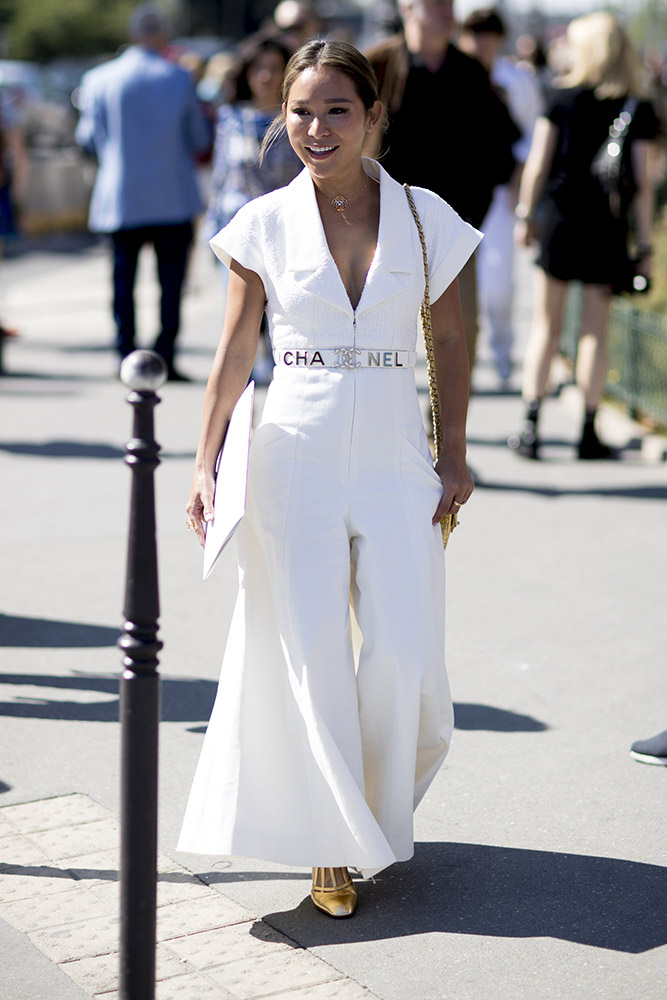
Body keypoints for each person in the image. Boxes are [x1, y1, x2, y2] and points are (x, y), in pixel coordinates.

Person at [179, 40, 481, 918]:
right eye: (300, 110)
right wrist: (203, 461)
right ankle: (328, 845)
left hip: (393, 449)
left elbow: (452, 340)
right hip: (293, 447)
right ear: (281, 117)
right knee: (305, 653)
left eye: (336, 110)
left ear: (374, 114)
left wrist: (452, 451)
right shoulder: (263, 223)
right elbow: (237, 350)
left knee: (405, 657)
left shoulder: (426, 217)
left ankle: (374, 816)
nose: (316, 128)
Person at [509, 12, 661, 459]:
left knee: (546, 325)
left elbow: (538, 161)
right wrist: (645, 243)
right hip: (605, 225)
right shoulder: (638, 105)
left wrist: (524, 214)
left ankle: (530, 427)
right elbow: (643, 184)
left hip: (558, 218)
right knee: (596, 331)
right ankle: (588, 431)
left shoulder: (559, 95)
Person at [365, 0, 518, 374]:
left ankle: (445, 431)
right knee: (375, 332)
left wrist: (472, 214)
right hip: (381, 221)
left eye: (450, 3)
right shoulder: (377, 65)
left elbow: (500, 147)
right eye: (436, 3)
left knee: (460, 331)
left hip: (452, 224)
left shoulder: (470, 72)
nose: (447, 10)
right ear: (408, 8)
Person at [75, 4, 210, 380]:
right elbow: (198, 137)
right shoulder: (179, 78)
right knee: (170, 284)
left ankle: (125, 353)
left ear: (133, 34)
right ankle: (165, 353)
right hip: (172, 196)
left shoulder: (99, 78)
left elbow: (87, 138)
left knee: (123, 281)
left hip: (121, 196)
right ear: (163, 35)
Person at [203, 32, 302, 384]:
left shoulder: (299, 118)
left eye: (274, 69)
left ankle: (279, 370)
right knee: (240, 311)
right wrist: (209, 227)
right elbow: (220, 175)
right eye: (258, 69)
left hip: (286, 228)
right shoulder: (230, 117)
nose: (265, 77)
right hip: (236, 227)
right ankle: (239, 382)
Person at [458, 8, 543, 382]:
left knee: (498, 282)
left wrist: (520, 181)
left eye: (489, 32)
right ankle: (462, 361)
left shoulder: (515, 79)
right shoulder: (452, 74)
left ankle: (503, 347)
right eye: (475, 32)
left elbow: (534, 132)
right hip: (456, 192)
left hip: (499, 191)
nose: (482, 40)